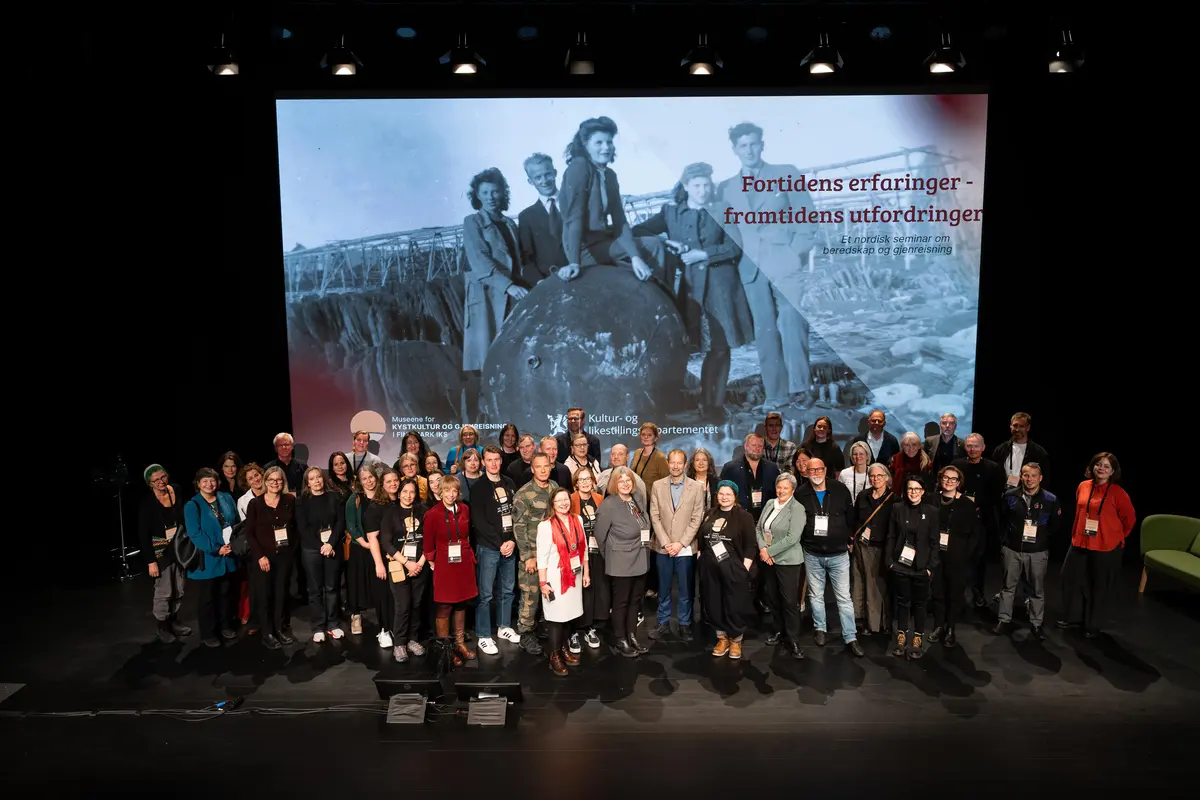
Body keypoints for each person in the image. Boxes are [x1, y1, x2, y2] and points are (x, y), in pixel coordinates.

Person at [632, 162, 754, 420]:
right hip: (690, 289)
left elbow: (735, 246)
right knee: (689, 346)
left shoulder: (722, 209)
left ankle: (713, 405)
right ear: (686, 186)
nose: (703, 190)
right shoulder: (671, 212)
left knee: (720, 346)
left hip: (720, 287)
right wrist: (666, 241)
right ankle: (684, 399)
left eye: (706, 185)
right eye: (697, 185)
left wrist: (703, 254)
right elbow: (638, 231)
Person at [718, 121, 816, 410]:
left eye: (753, 144)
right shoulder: (727, 188)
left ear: (762, 145)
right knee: (765, 331)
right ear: (735, 150)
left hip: (784, 260)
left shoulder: (786, 173)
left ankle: (800, 389)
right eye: (743, 146)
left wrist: (795, 252)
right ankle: (776, 394)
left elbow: (806, 216)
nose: (749, 150)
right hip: (751, 268)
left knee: (792, 320)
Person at [556, 115, 666, 283]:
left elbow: (620, 220)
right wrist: (573, 262)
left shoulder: (610, 175)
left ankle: (660, 294)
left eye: (609, 142)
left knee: (655, 245)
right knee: (653, 245)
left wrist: (635, 256)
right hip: (585, 247)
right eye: (599, 143)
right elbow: (574, 218)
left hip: (605, 241)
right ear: (585, 145)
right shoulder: (579, 166)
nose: (606, 148)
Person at [461, 169, 529, 413]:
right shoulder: (473, 222)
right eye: (485, 192)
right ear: (477, 196)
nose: (491, 197)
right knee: (489, 354)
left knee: (512, 349)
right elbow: (480, 260)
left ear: (502, 194)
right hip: (489, 294)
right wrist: (508, 286)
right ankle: (488, 412)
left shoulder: (508, 223)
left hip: (512, 292)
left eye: (495, 191)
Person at [1058, 453, 1136, 638]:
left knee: (1098, 585)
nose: (1101, 469)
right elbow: (1079, 512)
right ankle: (1073, 617)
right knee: (1070, 578)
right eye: (1098, 464)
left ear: (1113, 471)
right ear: (1092, 466)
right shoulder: (1083, 486)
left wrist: (1116, 537)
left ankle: (1092, 625)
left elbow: (1129, 519)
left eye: (1107, 466)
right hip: (1080, 541)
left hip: (1105, 546)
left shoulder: (1118, 493)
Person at [797, 458, 863, 656]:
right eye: (812, 470)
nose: (816, 473)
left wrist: (848, 538)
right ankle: (820, 629)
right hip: (812, 552)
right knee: (815, 595)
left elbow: (850, 517)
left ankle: (850, 636)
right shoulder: (800, 493)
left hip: (838, 553)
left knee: (843, 597)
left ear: (825, 470)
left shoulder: (840, 490)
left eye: (819, 469)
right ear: (806, 472)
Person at [996, 463, 1061, 640]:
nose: (1029, 479)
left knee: (1036, 589)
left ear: (1040, 478)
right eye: (1026, 475)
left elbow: (1054, 525)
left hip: (1037, 552)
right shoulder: (1010, 496)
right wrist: (1006, 541)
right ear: (1021, 476)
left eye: (1033, 475)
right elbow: (1002, 519)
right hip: (1012, 549)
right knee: (1008, 587)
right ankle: (1004, 619)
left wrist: (1040, 539)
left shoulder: (1050, 499)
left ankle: (1036, 623)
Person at [593, 466, 651, 657]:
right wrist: (612, 555)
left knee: (635, 601)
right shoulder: (608, 505)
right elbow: (600, 537)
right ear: (614, 484)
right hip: (620, 562)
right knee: (621, 602)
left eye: (628, 481)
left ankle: (632, 635)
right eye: (621, 481)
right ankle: (621, 639)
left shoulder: (637, 499)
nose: (625, 484)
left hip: (640, 558)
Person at [648, 449, 705, 641]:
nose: (675, 466)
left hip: (686, 547)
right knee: (663, 588)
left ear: (685, 464)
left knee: (685, 589)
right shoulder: (657, 486)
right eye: (672, 462)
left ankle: (684, 624)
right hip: (663, 547)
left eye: (679, 462)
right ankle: (662, 622)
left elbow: (697, 518)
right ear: (668, 463)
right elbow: (654, 516)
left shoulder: (696, 487)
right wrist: (667, 543)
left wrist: (680, 543)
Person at [469, 445, 520, 656]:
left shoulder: (509, 483)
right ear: (483, 462)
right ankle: (483, 635)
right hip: (489, 547)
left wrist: (512, 541)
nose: (494, 463)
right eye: (489, 460)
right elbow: (479, 521)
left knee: (507, 590)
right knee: (486, 594)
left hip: (510, 546)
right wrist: (500, 543)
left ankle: (504, 626)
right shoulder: (478, 487)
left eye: (497, 459)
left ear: (501, 460)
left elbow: (516, 515)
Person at [699, 481, 758, 659]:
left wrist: (744, 568)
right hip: (710, 568)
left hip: (733, 568)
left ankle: (735, 640)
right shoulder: (709, 513)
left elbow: (751, 545)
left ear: (735, 496)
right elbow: (701, 538)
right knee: (713, 603)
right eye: (721, 494)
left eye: (728, 494)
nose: (724, 497)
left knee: (733, 604)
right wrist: (700, 557)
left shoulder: (744, 517)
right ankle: (722, 638)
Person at [423, 480, 478, 667]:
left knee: (462, 602)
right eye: (447, 490)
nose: (451, 494)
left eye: (454, 490)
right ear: (440, 492)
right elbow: (428, 543)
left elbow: (467, 535)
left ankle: (460, 643)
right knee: (445, 605)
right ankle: (445, 648)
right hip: (444, 563)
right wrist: (432, 562)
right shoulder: (432, 514)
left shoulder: (464, 509)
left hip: (463, 561)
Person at [183, 467, 239, 648]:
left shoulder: (226, 498)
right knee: (208, 598)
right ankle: (208, 633)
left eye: (212, 480)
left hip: (229, 555)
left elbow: (236, 523)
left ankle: (225, 626)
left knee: (226, 594)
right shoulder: (192, 505)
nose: (209, 484)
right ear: (198, 484)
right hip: (208, 559)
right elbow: (195, 533)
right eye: (205, 481)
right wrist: (216, 549)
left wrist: (233, 544)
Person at [537, 487, 590, 675]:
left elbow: (583, 548)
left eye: (566, 499)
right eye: (558, 500)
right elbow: (541, 557)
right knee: (556, 618)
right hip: (555, 578)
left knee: (569, 615)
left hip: (575, 575)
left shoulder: (578, 519)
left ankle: (564, 647)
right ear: (552, 503)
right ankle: (554, 655)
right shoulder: (546, 526)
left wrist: (586, 573)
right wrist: (543, 583)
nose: (563, 503)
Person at [244, 466, 297, 650]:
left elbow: (295, 527)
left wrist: (291, 551)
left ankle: (279, 628)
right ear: (265, 481)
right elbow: (249, 533)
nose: (275, 483)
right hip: (263, 558)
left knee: (281, 594)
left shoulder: (289, 500)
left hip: (284, 557)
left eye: (279, 479)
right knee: (265, 595)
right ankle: (267, 632)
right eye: (271, 479)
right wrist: (260, 556)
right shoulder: (255, 504)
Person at [886, 476, 939, 660]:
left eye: (917, 489)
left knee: (920, 603)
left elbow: (935, 542)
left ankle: (918, 638)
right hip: (900, 564)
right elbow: (891, 536)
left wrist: (930, 567)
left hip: (922, 567)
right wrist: (889, 561)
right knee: (903, 602)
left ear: (923, 491)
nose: (913, 492)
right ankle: (902, 637)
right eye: (910, 488)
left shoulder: (932, 512)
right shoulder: (897, 508)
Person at [756, 472, 807, 659]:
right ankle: (778, 631)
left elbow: (792, 538)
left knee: (789, 602)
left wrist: (769, 551)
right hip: (768, 560)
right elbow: (759, 528)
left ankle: (793, 639)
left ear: (792, 490)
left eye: (786, 488)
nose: (781, 490)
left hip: (788, 561)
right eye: (779, 487)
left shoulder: (797, 508)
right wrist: (763, 549)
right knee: (773, 599)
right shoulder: (770, 503)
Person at [512, 454, 559, 655]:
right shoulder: (524, 494)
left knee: (549, 592)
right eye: (538, 467)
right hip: (532, 553)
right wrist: (527, 556)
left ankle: (543, 625)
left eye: (545, 466)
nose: (543, 470)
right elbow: (519, 527)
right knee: (530, 594)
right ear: (532, 469)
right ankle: (526, 633)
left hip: (552, 554)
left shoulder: (554, 488)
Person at [138, 464, 190, 644]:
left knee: (179, 588)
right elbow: (143, 535)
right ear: (150, 484)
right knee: (164, 590)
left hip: (179, 548)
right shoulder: (148, 504)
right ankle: (163, 626)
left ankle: (174, 621)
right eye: (155, 480)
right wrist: (151, 561)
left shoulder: (176, 491)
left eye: (163, 477)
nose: (160, 482)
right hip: (161, 552)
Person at [928, 465, 978, 648]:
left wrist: (965, 554)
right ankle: (938, 626)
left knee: (954, 593)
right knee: (937, 592)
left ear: (959, 482)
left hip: (957, 556)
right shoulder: (932, 499)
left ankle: (950, 628)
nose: (949, 481)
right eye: (945, 477)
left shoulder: (967, 504)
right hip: (935, 555)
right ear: (940, 479)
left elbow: (975, 534)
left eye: (953, 479)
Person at [380, 478, 430, 662]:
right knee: (403, 605)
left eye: (412, 492)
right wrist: (407, 563)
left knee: (416, 604)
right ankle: (399, 643)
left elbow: (430, 540)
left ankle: (412, 639)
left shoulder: (423, 511)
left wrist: (420, 564)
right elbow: (386, 543)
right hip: (399, 566)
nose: (408, 495)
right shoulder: (391, 513)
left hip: (420, 565)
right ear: (399, 493)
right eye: (405, 491)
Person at [295, 466, 345, 643]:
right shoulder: (301, 501)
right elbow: (303, 529)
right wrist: (321, 546)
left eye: (318, 477)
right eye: (312, 478)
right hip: (311, 550)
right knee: (315, 590)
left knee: (332, 587)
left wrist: (330, 544)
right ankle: (318, 626)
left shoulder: (335, 497)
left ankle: (333, 624)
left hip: (333, 547)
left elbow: (340, 523)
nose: (316, 481)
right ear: (307, 483)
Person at [851, 463, 893, 637]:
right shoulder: (863, 496)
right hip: (860, 546)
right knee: (858, 584)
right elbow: (855, 519)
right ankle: (859, 621)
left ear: (887, 477)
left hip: (879, 548)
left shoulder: (894, 499)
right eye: (872, 476)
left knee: (874, 587)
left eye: (879, 476)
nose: (875, 479)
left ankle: (876, 624)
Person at [570, 468, 608, 650]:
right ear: (575, 483)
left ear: (593, 481)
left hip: (596, 552)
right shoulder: (570, 500)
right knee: (578, 590)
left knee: (594, 589)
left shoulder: (600, 499)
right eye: (581, 479)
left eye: (588, 479)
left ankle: (589, 627)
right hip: (576, 553)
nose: (585, 483)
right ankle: (573, 630)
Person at [517, 152, 568, 283]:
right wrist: (540, 282)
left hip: (584, 274)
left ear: (555, 173)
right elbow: (526, 258)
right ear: (530, 181)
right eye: (538, 177)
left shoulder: (574, 203)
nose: (544, 181)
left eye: (548, 174)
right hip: (549, 281)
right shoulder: (526, 217)